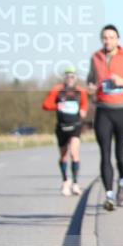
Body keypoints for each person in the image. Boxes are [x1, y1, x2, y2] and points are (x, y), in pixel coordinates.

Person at [86, 24, 123, 211]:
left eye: (111, 37)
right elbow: (90, 80)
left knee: (120, 155)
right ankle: (109, 195)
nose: (107, 41)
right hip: (103, 109)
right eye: (104, 37)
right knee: (104, 153)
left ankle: (122, 181)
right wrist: (91, 88)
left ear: (117, 39)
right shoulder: (96, 57)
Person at [41, 66, 88, 196]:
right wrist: (57, 105)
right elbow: (45, 105)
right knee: (63, 155)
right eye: (67, 76)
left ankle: (76, 183)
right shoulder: (57, 90)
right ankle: (65, 180)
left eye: (72, 76)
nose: (70, 79)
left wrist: (84, 110)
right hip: (62, 127)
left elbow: (84, 103)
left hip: (75, 126)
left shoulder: (80, 91)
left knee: (74, 153)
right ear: (64, 78)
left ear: (76, 78)